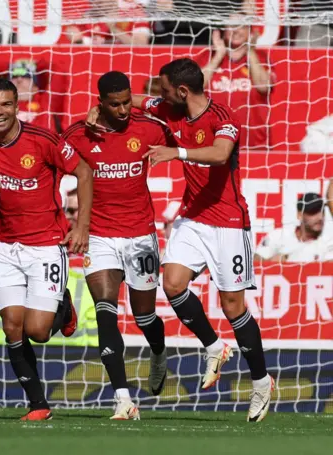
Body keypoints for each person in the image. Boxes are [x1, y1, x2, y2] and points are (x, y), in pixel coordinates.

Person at [86, 57, 274, 422]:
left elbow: (221, 155)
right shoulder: (170, 110)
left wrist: (177, 151)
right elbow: (139, 100)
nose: (160, 93)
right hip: (192, 218)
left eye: (165, 87)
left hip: (230, 223)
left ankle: (261, 382)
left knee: (233, 306)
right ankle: (215, 346)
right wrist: (98, 106)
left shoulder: (223, 116)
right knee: (171, 284)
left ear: (182, 90)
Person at [0, 78, 93, 421]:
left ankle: (63, 304)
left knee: (38, 332)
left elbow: (85, 171)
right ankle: (38, 404)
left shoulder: (42, 140)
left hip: (46, 246)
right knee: (12, 326)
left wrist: (81, 226)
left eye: (5, 105)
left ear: (17, 107)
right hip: (3, 247)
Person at [63, 71, 171, 420]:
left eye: (127, 101)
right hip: (100, 235)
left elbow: (183, 116)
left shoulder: (150, 127)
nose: (123, 109)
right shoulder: (80, 134)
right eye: (115, 104)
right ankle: (123, 398)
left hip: (141, 236)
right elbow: (48, 163)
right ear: (101, 103)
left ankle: (158, 350)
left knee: (144, 316)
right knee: (105, 310)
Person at [197, 14, 274, 150]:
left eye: (242, 26)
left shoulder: (261, 57)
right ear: (223, 30)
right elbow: (195, 86)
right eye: (232, 26)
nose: (236, 31)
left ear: (250, 31)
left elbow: (264, 87)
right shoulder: (208, 57)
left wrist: (250, 51)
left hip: (254, 144)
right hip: (214, 143)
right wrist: (219, 55)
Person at [255, 193, 333, 262]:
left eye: (322, 211)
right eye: (313, 212)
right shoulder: (278, 236)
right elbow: (255, 260)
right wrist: (271, 262)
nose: (320, 217)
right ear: (300, 215)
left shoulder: (328, 242)